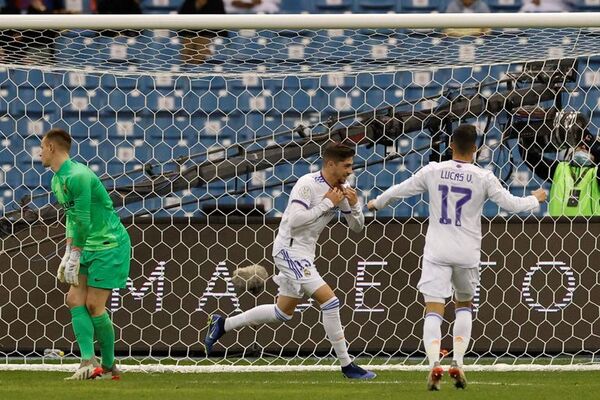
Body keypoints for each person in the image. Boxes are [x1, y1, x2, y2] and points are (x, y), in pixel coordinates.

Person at [367, 124, 546, 391]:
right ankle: (458, 363)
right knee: (464, 304)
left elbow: (399, 190)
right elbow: (511, 205)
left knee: (434, 308)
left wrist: (376, 203)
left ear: (450, 145)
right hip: (467, 252)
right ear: (475, 149)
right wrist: (534, 198)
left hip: (437, 250)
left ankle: (433, 366)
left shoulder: (433, 171)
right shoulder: (484, 177)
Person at [204, 142, 376, 380]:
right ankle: (347, 365)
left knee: (282, 313)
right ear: (330, 164)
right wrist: (327, 203)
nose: (350, 170)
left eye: (351, 165)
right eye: (346, 165)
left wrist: (355, 205)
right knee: (330, 302)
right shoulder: (308, 184)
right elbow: (294, 220)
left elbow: (356, 228)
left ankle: (223, 324)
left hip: (306, 253)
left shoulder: (342, 188)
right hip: (289, 250)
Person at [40, 128, 131, 380]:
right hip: (86, 244)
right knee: (73, 299)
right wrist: (69, 252)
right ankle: (88, 362)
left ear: (51, 148)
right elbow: (71, 219)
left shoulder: (78, 175)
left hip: (109, 244)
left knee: (93, 305)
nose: (38, 153)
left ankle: (110, 365)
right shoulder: (57, 179)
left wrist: (75, 252)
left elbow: (83, 219)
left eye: (41, 147)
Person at [518, 113, 600, 216]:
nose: (583, 148)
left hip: (591, 230)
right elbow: (529, 156)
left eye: (587, 148)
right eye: (579, 146)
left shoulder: (596, 174)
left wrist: (587, 138)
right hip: (557, 230)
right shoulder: (560, 169)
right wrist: (528, 131)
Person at [178, 0, 226, 64]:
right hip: (190, 33)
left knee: (201, 48)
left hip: (208, 33)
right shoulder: (189, 2)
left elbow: (220, 21)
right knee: (186, 51)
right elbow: (181, 18)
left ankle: (197, 67)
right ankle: (186, 68)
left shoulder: (216, 2)